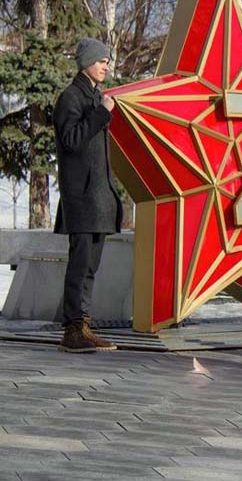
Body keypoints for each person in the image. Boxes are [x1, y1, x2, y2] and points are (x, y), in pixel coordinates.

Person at [53, 37, 123, 353]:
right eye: (101, 61)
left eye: (107, 61)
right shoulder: (71, 98)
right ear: (86, 64)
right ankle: (72, 331)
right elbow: (71, 140)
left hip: (98, 200)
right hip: (81, 199)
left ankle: (83, 327)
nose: (106, 66)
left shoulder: (95, 99)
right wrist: (102, 114)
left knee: (90, 269)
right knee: (80, 266)